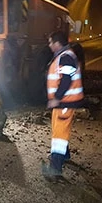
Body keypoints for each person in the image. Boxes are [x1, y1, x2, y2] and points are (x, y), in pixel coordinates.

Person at [41, 31, 84, 179]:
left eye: (50, 42)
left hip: (65, 101)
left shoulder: (65, 57)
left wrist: (56, 98)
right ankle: (64, 156)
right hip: (64, 102)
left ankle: (55, 169)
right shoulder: (64, 55)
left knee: (59, 135)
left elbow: (66, 80)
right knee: (58, 129)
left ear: (57, 43)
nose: (49, 45)